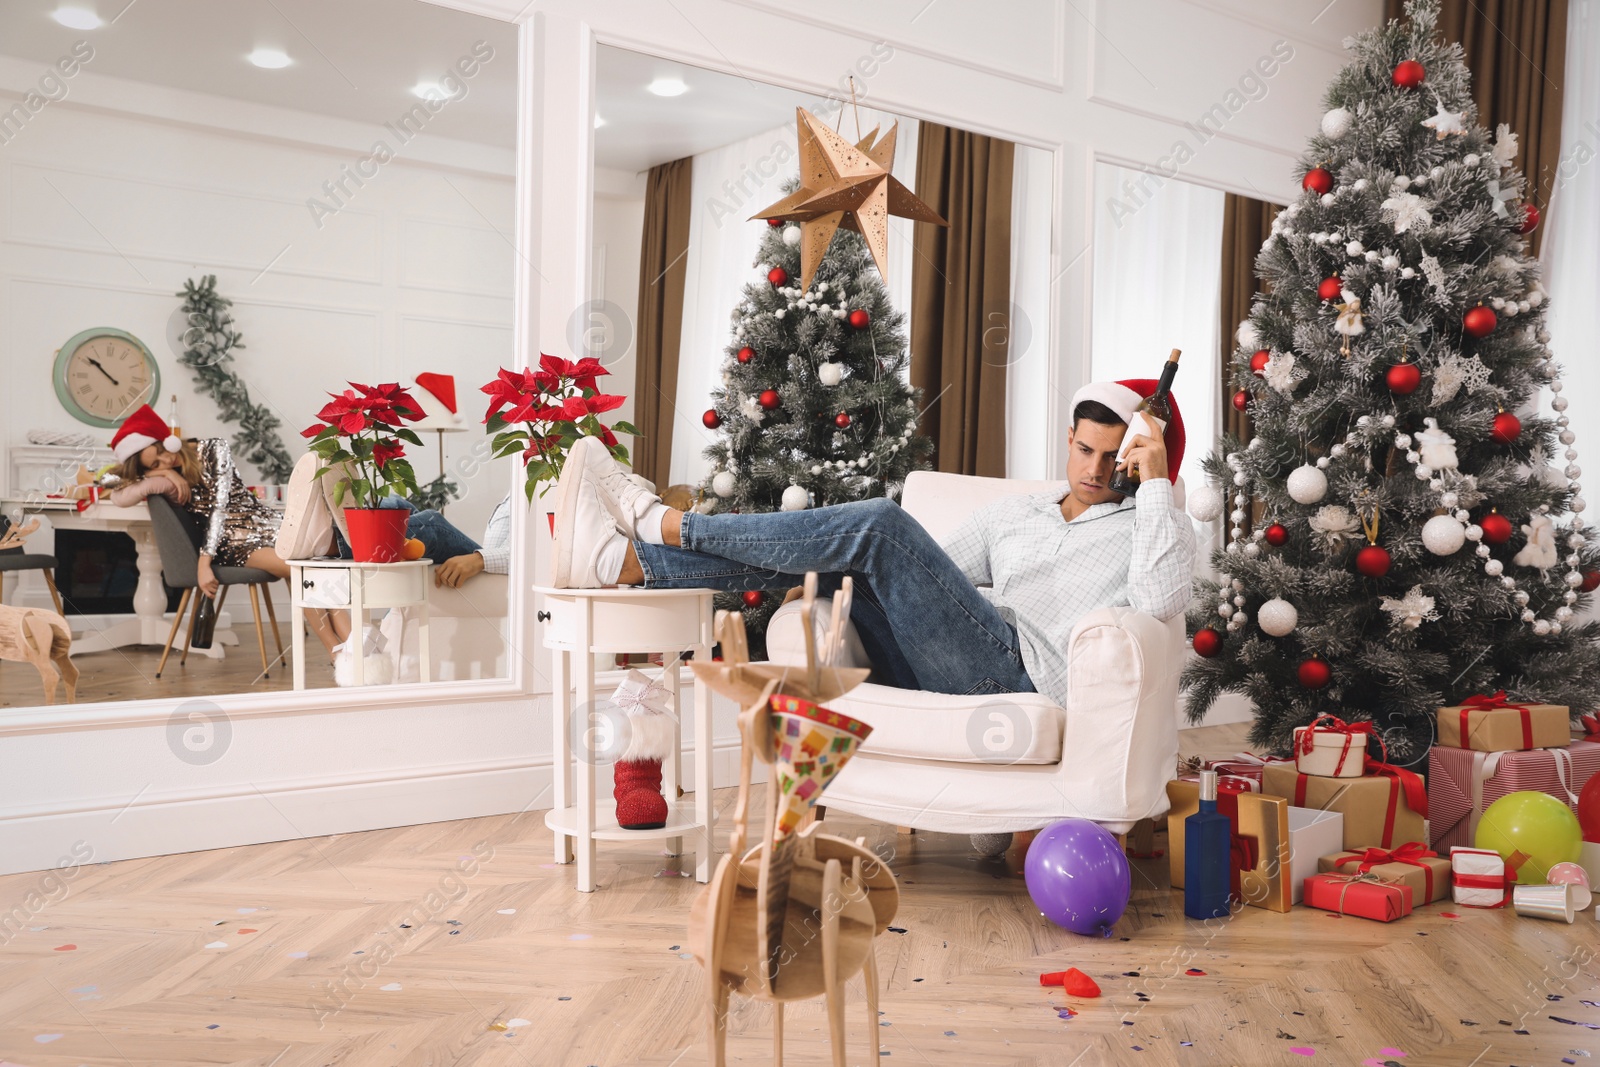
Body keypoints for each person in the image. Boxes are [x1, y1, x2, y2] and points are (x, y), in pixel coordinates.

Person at [547, 381, 1196, 702]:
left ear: (1138, 461)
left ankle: (662, 527)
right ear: (1070, 440)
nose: (1094, 468)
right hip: (953, 658)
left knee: (882, 526)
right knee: (849, 558)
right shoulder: (1019, 511)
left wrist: (1159, 481)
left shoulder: (1151, 524)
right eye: (1085, 449)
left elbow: (1160, 599)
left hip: (1019, 678)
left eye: (1114, 458)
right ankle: (626, 561)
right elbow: (927, 568)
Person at [106, 405, 350, 656]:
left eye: (161, 453)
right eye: (155, 464)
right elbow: (109, 483)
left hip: (268, 524)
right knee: (302, 571)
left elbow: (219, 505)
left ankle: (354, 650)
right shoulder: (165, 473)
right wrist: (163, 473)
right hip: (231, 543)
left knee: (320, 567)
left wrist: (163, 471)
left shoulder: (214, 448)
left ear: (166, 440)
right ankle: (337, 653)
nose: (166, 461)